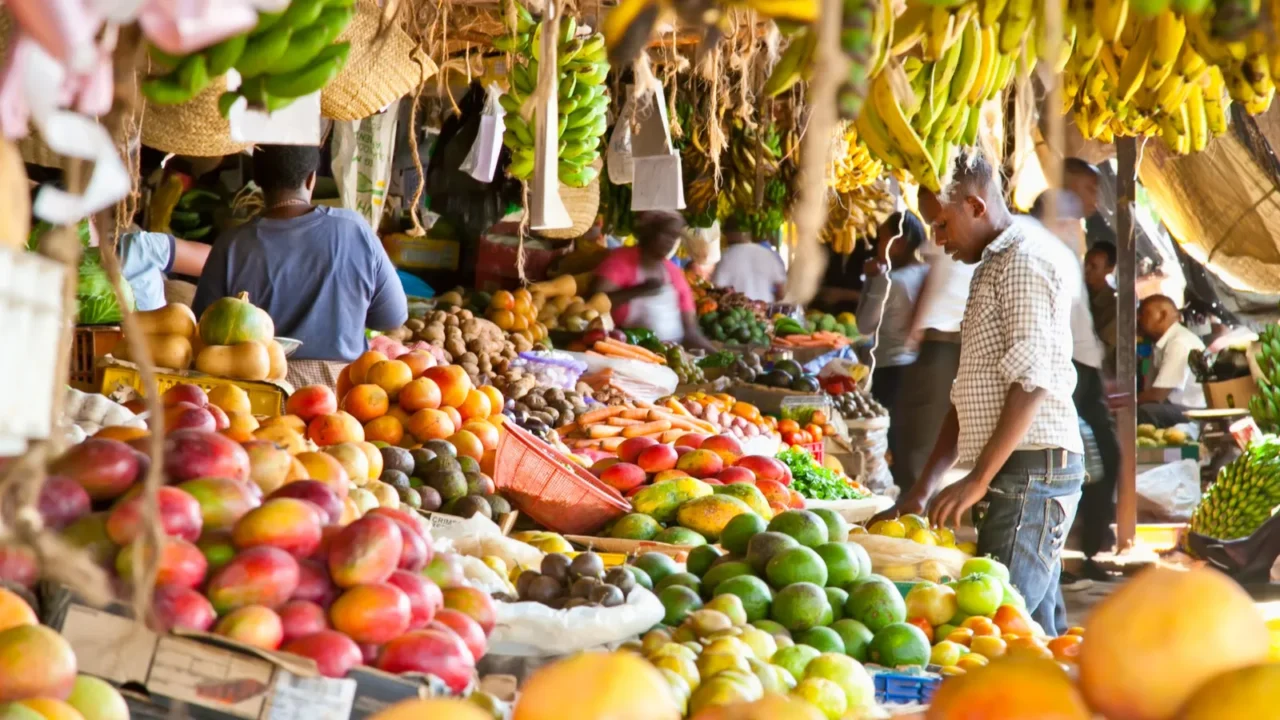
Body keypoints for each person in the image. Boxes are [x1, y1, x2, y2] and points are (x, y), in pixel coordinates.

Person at [875, 152, 1083, 635]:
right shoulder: (993, 263)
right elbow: (967, 394)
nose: (937, 240)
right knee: (1031, 631)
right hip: (1020, 471)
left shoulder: (1024, 261)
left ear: (974, 206)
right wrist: (922, 489)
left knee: (999, 629)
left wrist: (979, 479)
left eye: (942, 225)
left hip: (1032, 473)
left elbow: (1031, 382)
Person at [194, 145, 408, 387]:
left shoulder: (231, 245)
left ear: (258, 180)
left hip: (257, 395)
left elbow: (203, 332)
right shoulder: (354, 229)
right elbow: (392, 317)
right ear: (311, 179)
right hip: (344, 395)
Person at [1032, 190, 1119, 587]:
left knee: (1101, 461)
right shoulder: (1040, 253)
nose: (1079, 225)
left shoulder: (1065, 256)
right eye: (1073, 218)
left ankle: (1086, 553)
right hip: (1067, 370)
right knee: (1070, 462)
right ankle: (1060, 557)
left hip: (1084, 369)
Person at [890, 190, 976, 491]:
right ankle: (918, 495)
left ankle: (918, 502)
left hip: (945, 339)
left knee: (922, 428)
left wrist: (914, 326)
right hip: (944, 338)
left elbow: (933, 279)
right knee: (918, 424)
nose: (936, 233)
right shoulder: (955, 227)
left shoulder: (953, 225)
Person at [590, 211, 714, 349]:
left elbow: (691, 332)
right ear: (649, 231)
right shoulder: (620, 261)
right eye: (666, 233)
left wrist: (718, 355)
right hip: (624, 349)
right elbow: (593, 304)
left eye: (674, 236)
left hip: (669, 354)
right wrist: (640, 290)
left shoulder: (674, 273)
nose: (670, 241)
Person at [856, 210, 929, 412]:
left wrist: (871, 279)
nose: (878, 245)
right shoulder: (927, 273)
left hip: (889, 371)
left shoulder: (890, 281)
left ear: (898, 243)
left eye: (882, 239)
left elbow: (864, 326)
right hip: (918, 369)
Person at [1137, 294, 1207, 426]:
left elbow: (1157, 396)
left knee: (1145, 411)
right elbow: (1149, 388)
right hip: (1177, 406)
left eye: (1144, 314)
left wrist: (1129, 402)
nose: (1139, 319)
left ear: (1162, 315)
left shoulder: (1179, 342)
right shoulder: (1162, 343)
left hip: (1194, 411)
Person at [711, 221, 786, 302]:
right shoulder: (767, 253)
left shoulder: (726, 256)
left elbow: (717, 288)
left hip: (739, 308)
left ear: (728, 234)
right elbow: (781, 291)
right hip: (765, 307)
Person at [1084, 240, 1118, 376]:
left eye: (1093, 266)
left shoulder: (1114, 307)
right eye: (1085, 264)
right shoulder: (1079, 294)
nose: (1086, 270)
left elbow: (1101, 350)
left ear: (1109, 269)